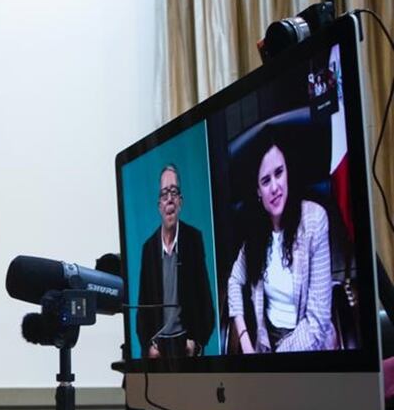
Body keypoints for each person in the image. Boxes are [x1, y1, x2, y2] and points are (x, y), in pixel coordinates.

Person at [227, 128, 334, 353]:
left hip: (311, 347)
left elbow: (317, 325)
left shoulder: (314, 220)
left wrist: (275, 362)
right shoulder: (256, 234)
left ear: (288, 172)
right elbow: (234, 280)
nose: (275, 187)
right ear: (258, 191)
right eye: (266, 181)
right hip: (267, 345)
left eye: (279, 173)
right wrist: (245, 339)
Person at [136, 164, 215, 358]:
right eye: (164, 194)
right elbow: (142, 309)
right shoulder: (148, 249)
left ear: (181, 201)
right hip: (158, 347)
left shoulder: (194, 239)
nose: (169, 199)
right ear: (159, 206)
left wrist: (196, 343)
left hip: (186, 343)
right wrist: (148, 347)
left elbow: (205, 300)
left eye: (174, 192)